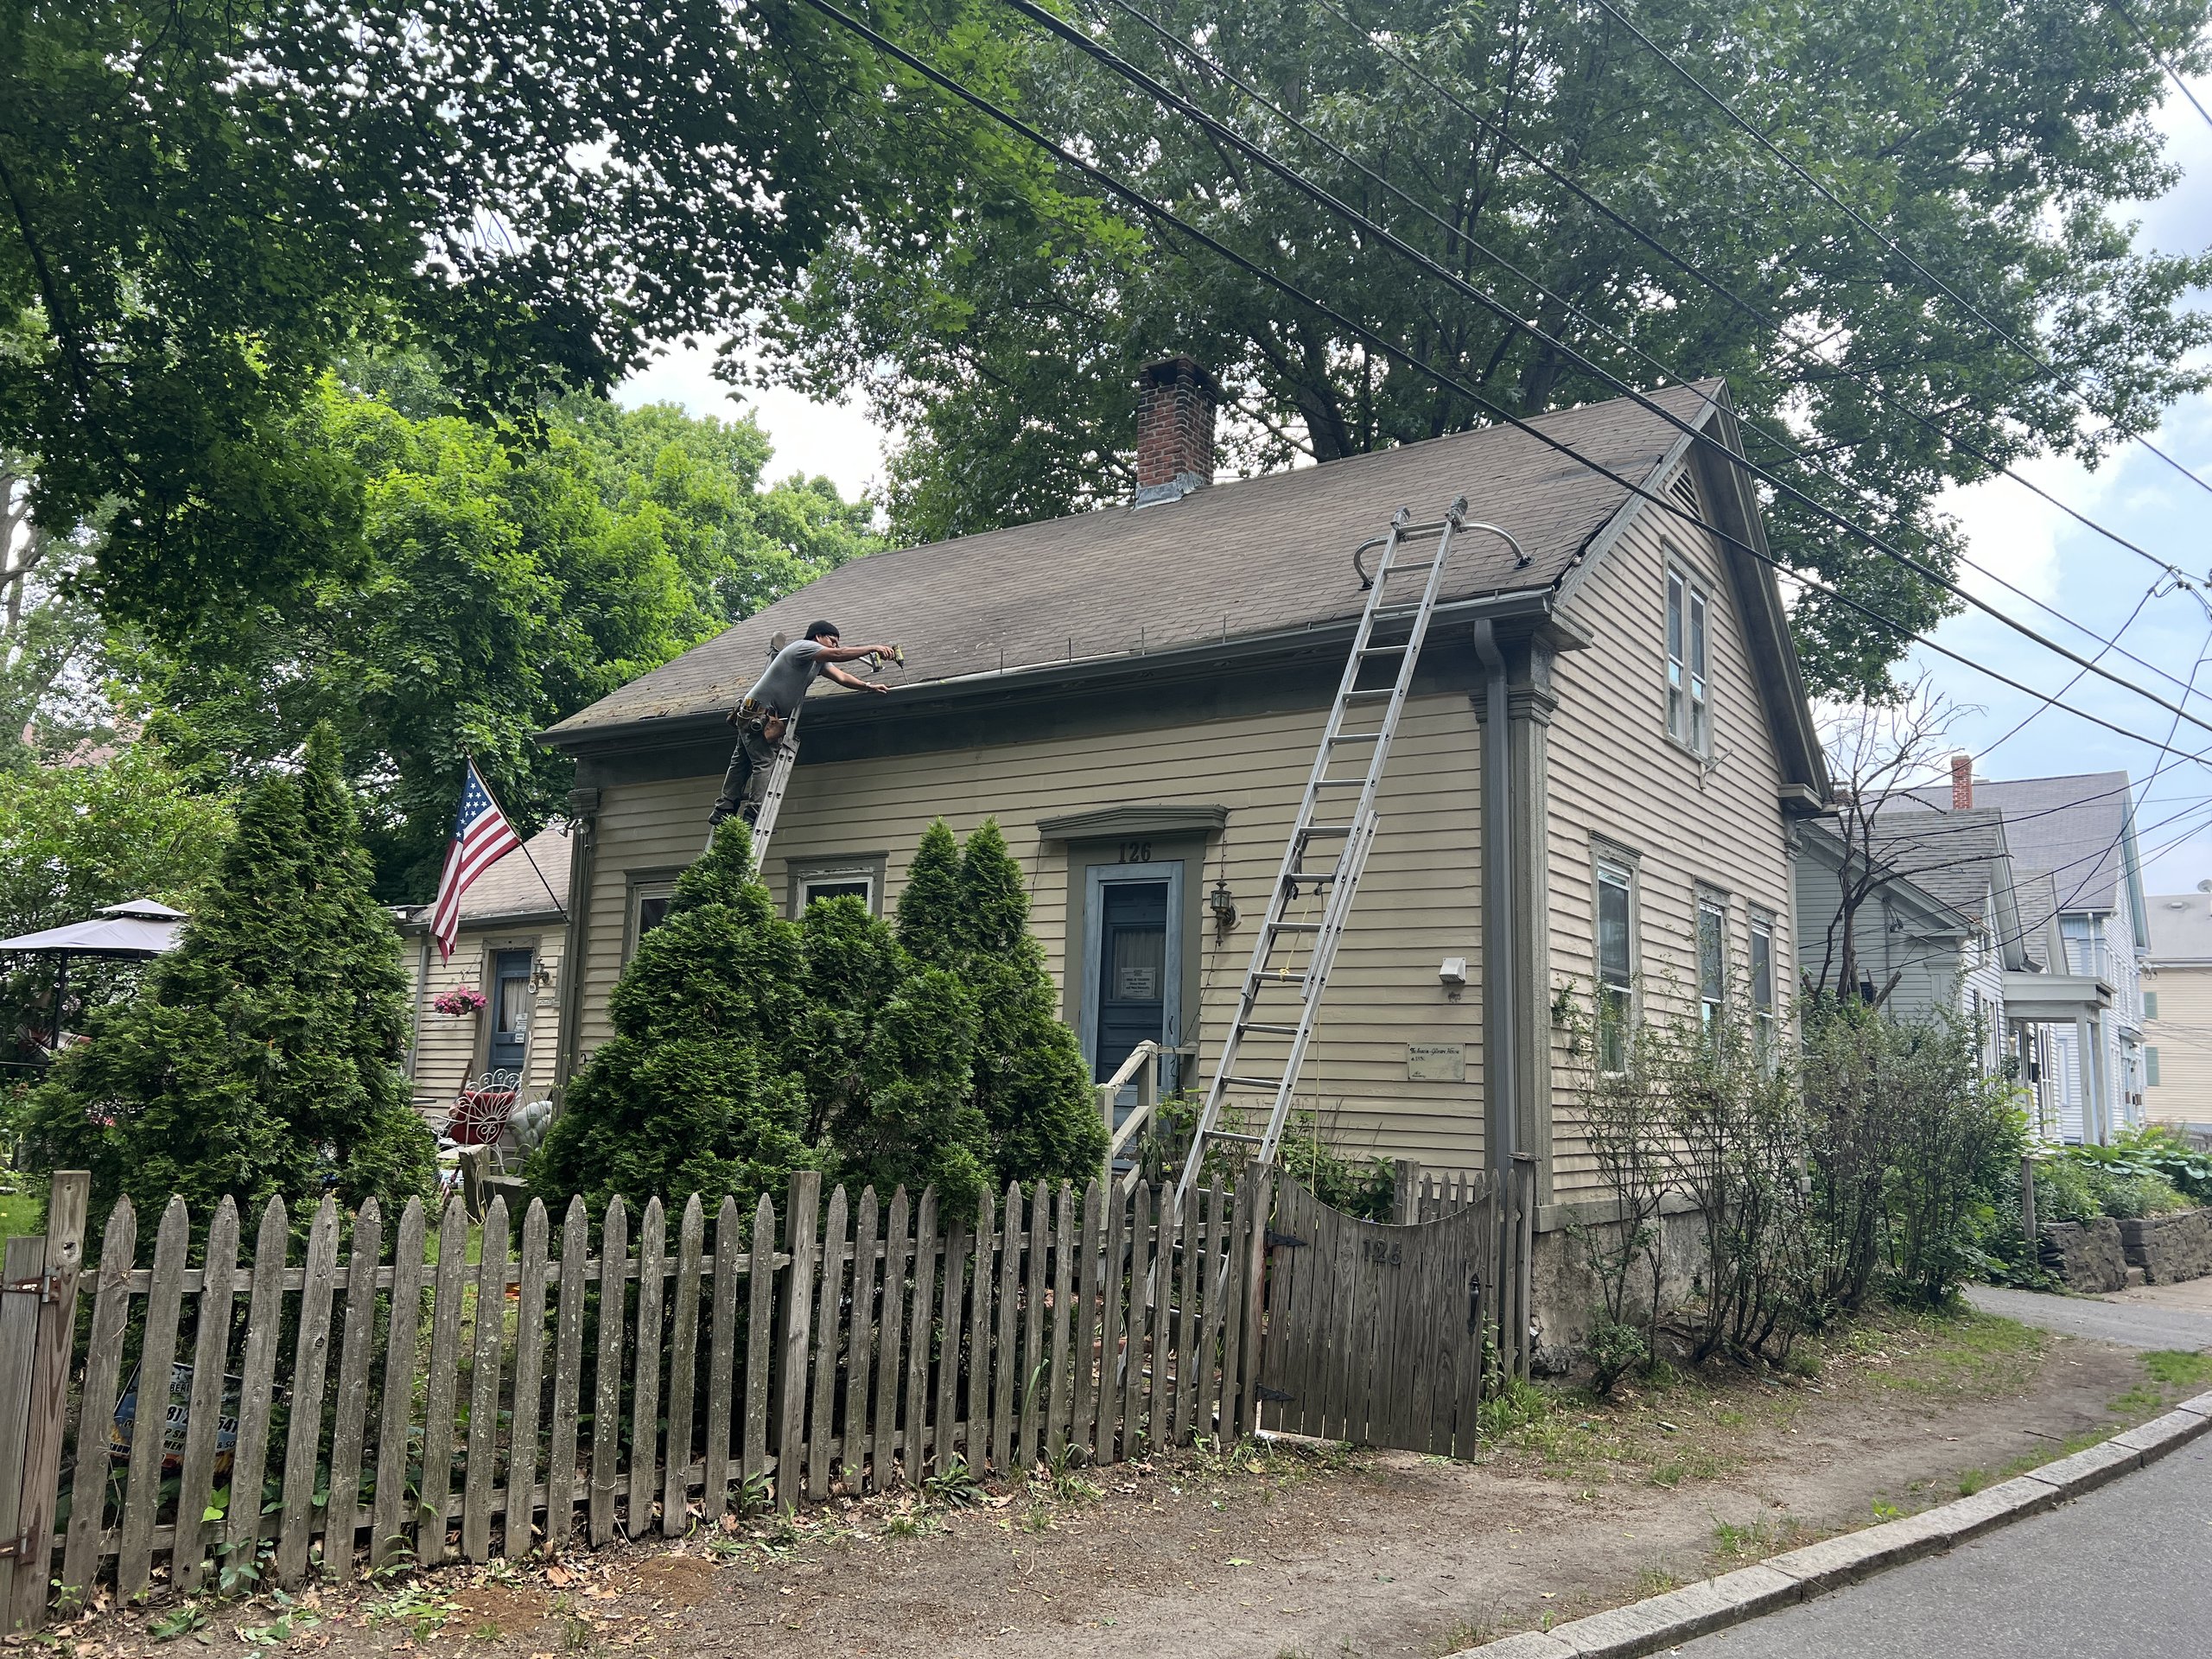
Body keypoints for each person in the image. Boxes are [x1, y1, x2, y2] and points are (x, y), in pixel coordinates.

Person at [709, 621, 897, 826]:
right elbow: (838, 654)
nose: (834, 646)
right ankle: (753, 815)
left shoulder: (818, 663)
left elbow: (841, 676)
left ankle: (724, 808)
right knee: (764, 762)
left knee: (742, 762)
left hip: (753, 712)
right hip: (758, 714)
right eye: (832, 641)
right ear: (818, 637)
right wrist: (873, 647)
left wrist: (868, 687)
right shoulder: (802, 647)